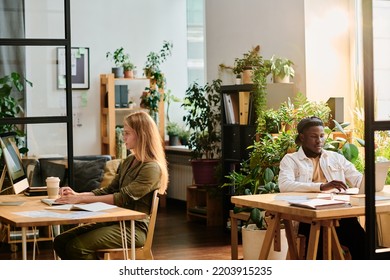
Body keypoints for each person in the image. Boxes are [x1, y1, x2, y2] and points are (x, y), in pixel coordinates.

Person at [53, 111, 168, 260]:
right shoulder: (128, 161)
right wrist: (78, 195)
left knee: (76, 247)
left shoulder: (151, 168)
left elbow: (121, 198)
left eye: (127, 133)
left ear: (141, 135)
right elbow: (110, 190)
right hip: (115, 222)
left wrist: (80, 200)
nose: (123, 137)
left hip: (133, 229)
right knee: (61, 242)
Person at [278, 116, 366, 259]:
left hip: (338, 214)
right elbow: (284, 185)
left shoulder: (335, 157)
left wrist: (370, 181)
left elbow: (357, 179)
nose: (319, 141)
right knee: (317, 245)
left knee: (362, 243)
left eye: (321, 136)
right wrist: (321, 186)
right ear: (302, 137)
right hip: (308, 217)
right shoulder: (291, 159)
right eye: (313, 136)